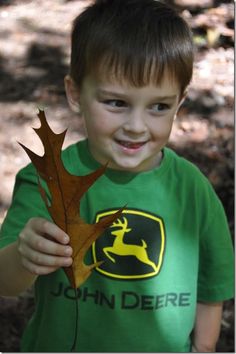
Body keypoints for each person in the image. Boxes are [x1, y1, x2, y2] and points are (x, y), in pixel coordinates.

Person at [0, 0, 234, 352]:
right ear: (76, 93)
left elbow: (211, 288)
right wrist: (24, 254)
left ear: (180, 101)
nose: (136, 127)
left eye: (159, 106)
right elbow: (6, 282)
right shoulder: (49, 180)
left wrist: (203, 348)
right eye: (116, 103)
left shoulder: (192, 190)